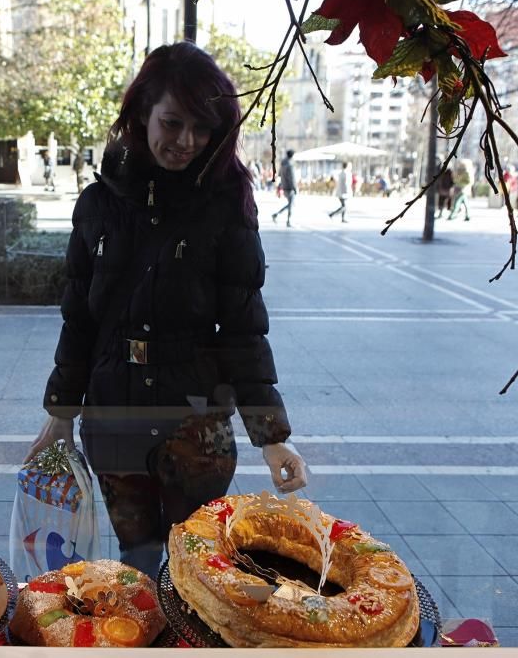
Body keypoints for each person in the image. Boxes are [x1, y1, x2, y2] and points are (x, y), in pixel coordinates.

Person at [26, 42, 307, 578]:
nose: (187, 142)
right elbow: (79, 319)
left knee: (195, 561)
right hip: (113, 416)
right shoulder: (98, 204)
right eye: (173, 123)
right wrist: (60, 414)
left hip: (195, 425)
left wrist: (272, 436)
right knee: (137, 559)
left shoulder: (225, 204)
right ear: (141, 111)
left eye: (202, 129)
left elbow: (244, 326)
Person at [272, 149, 296, 226]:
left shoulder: (282, 164)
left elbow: (279, 174)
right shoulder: (290, 165)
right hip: (290, 187)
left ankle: (277, 215)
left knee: (290, 204)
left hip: (284, 186)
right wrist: (295, 188)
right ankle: (287, 220)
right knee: (291, 204)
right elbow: (292, 178)